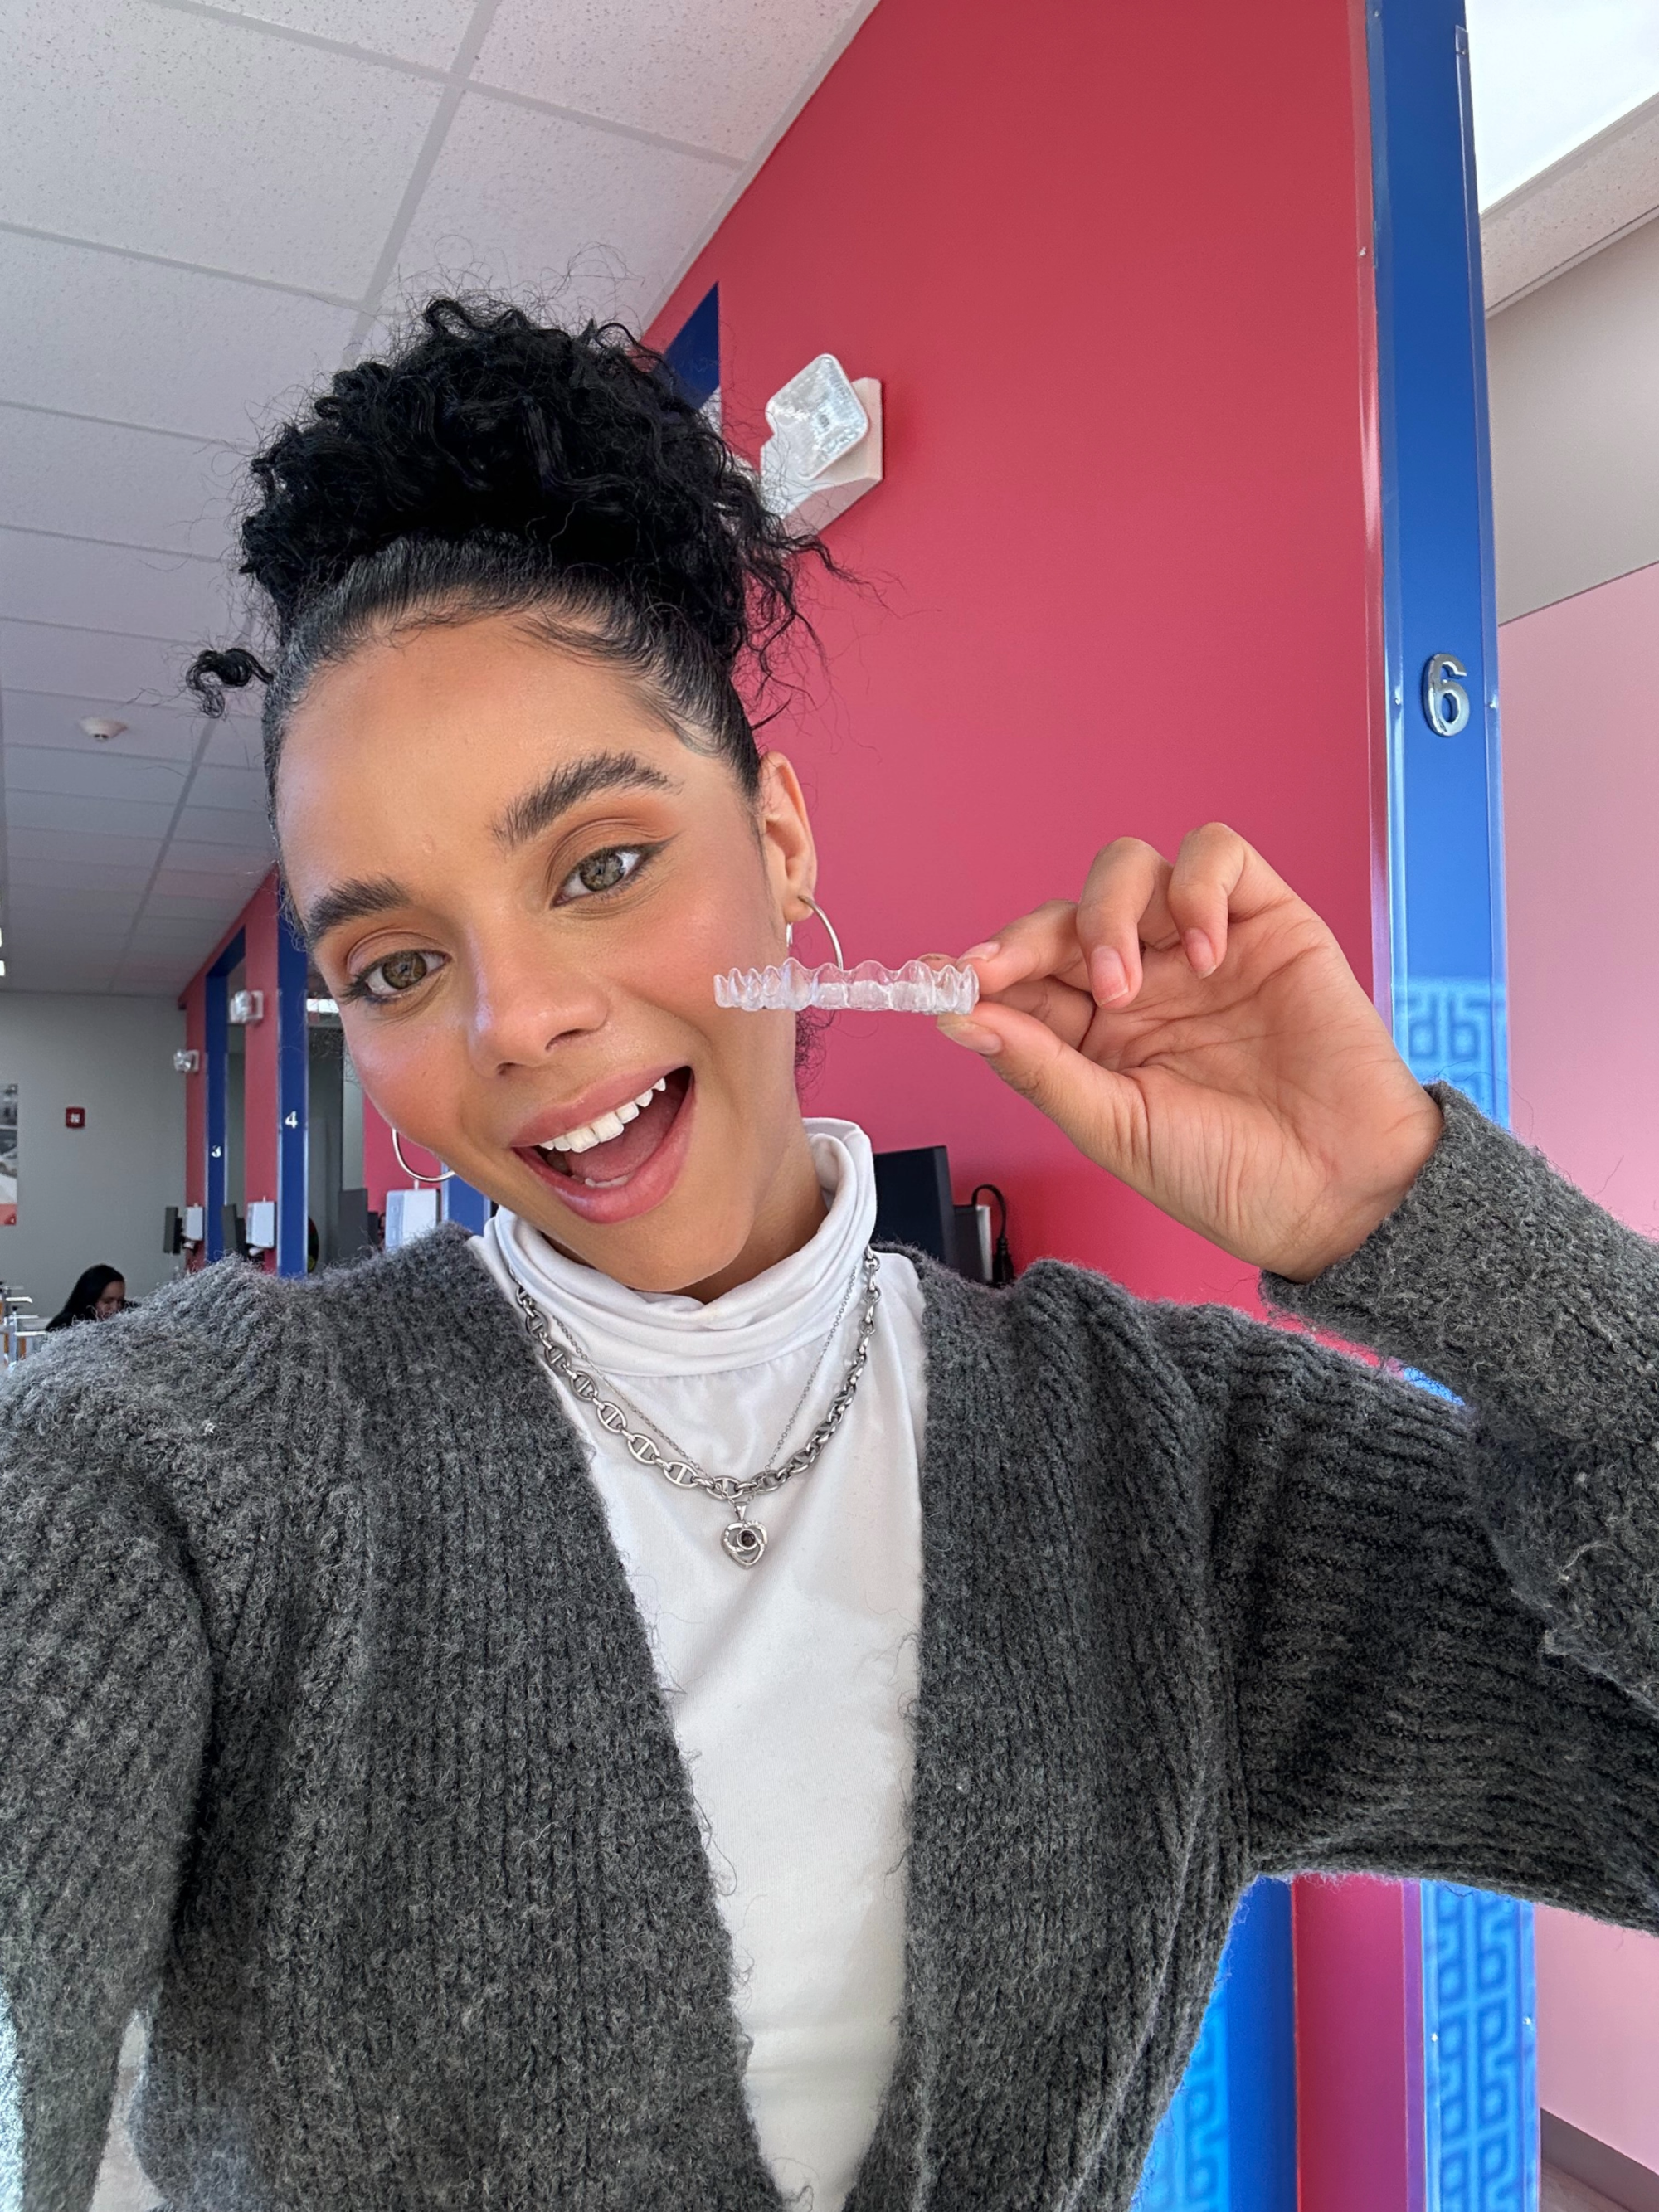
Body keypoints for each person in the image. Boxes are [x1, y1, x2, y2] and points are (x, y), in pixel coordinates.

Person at [2, 298, 1657, 2212]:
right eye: (397, 964)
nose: (516, 1019)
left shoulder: (1171, 1476)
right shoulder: (176, 1468)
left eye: (602, 863)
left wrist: (1411, 1210)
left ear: (778, 842)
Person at [43, 1265, 125, 1331]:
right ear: (90, 1300)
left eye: (120, 1301)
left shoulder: (129, 1317)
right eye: (107, 1302)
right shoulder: (64, 1328)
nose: (115, 1308)